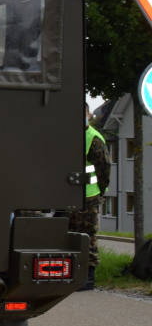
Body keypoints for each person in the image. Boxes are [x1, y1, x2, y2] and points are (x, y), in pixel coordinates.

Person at [69, 104, 110, 289]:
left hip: (89, 195)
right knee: (71, 235)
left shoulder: (94, 138)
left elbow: (104, 169)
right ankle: (74, 275)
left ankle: (88, 278)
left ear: (88, 114)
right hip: (69, 194)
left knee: (88, 236)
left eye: (82, 113)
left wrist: (101, 192)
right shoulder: (66, 134)